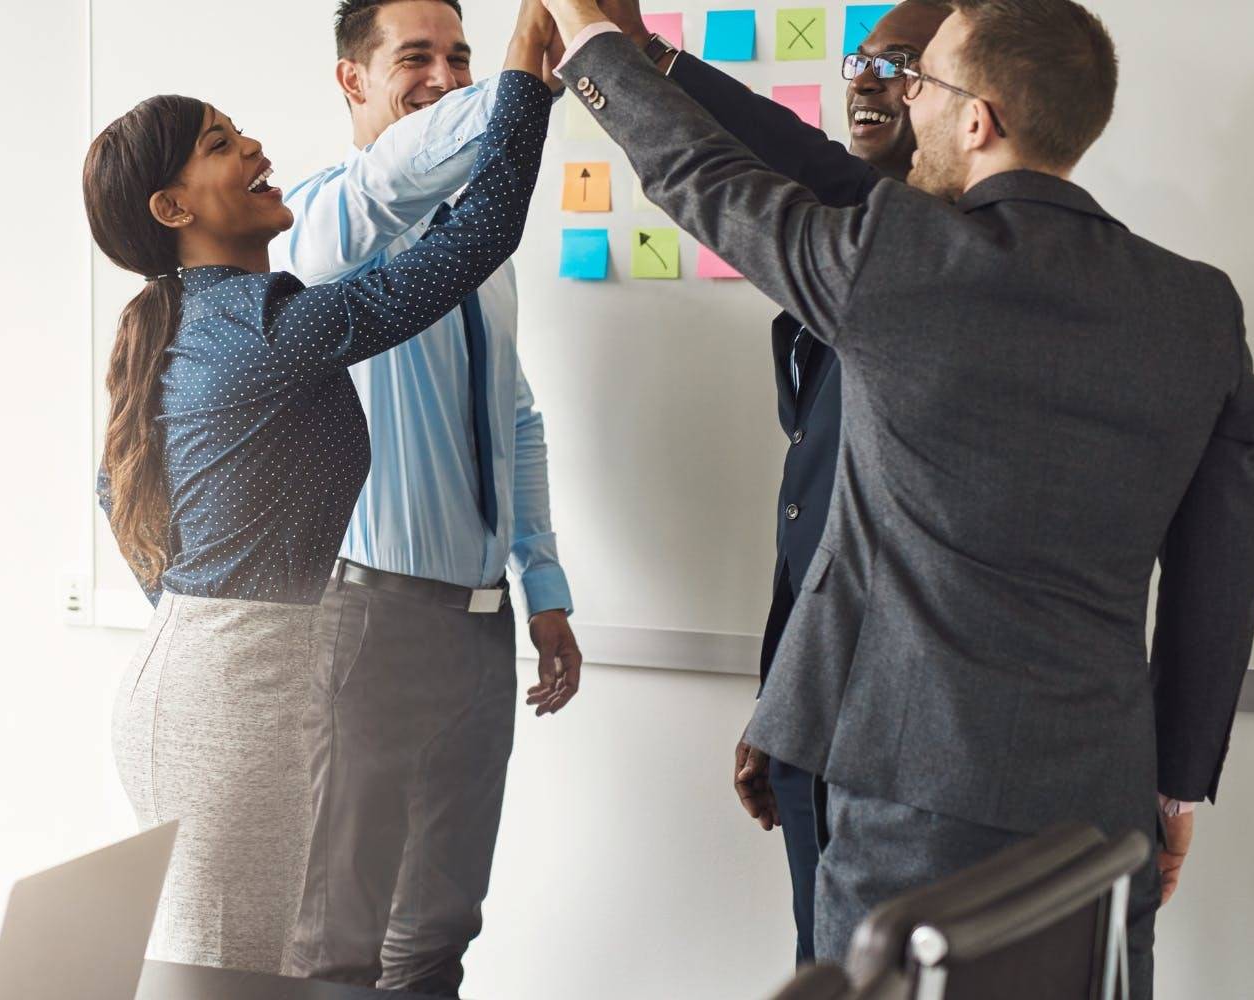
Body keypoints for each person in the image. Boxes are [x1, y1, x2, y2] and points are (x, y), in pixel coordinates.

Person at [542, 0, 1254, 993]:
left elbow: (701, 178)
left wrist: (587, 38)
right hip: (1101, 803)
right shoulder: (1197, 308)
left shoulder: (902, 259)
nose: (902, 102)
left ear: (978, 119)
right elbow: (1223, 556)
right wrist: (1175, 776)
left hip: (910, 798)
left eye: (920, 83)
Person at [83, 0, 559, 973]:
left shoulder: (207, 319)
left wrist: (195, 608)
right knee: (247, 967)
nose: (252, 142)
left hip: (224, 674)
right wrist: (525, 68)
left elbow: (111, 487)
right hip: (237, 697)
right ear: (173, 209)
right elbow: (476, 236)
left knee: (267, 964)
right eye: (220, 142)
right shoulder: (267, 319)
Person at [583, 0, 951, 964]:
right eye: (862, 56)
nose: (868, 78)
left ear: (969, 102)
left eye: (901, 63)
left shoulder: (947, 264)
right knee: (818, 966)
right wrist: (782, 702)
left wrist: (603, 51)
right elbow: (823, 521)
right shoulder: (857, 244)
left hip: (906, 755)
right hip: (812, 716)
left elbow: (739, 164)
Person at [267, 2, 580, 993]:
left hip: (481, 633)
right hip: (364, 626)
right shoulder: (324, 228)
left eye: (461, 56)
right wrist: (524, 77)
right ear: (351, 80)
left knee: (440, 930)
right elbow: (395, 172)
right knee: (339, 940)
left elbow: (516, 415)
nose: (443, 76)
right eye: (415, 58)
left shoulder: (481, 253)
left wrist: (545, 583)